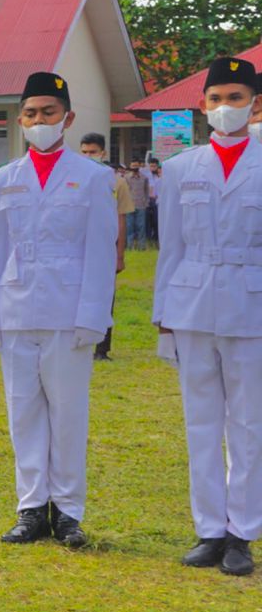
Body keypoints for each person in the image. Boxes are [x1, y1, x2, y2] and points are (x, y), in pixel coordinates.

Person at [0, 72, 117, 549]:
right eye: (32, 113)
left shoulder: (94, 177)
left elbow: (100, 252)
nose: (40, 121)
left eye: (49, 112)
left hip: (68, 309)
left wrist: (93, 317)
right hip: (15, 308)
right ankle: (31, 507)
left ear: (68, 118)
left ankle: (69, 513)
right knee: (24, 412)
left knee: (68, 413)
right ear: (20, 119)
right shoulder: (2, 180)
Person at [153, 57, 262, 577]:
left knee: (248, 425)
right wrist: (162, 315)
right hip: (192, 304)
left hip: (252, 304)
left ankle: (242, 532)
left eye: (235, 98)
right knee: (200, 422)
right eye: (216, 99)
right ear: (202, 107)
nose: (225, 108)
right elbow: (170, 246)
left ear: (255, 104)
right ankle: (209, 530)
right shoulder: (179, 170)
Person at [79, 132, 132, 361]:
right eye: (84, 152)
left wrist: (119, 255)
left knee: (104, 298)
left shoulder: (117, 182)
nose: (88, 156)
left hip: (105, 249)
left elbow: (121, 220)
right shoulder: (74, 178)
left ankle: (102, 349)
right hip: (78, 248)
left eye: (93, 152)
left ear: (103, 153)